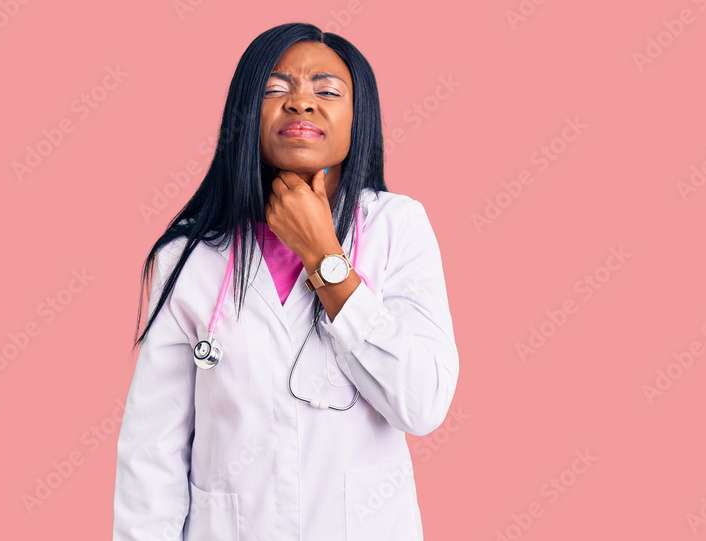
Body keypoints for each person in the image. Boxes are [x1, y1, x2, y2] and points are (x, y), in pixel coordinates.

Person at [112, 22, 459, 541]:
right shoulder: (189, 255)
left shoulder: (397, 227)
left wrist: (324, 257)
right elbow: (152, 453)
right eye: (276, 90)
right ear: (245, 115)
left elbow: (423, 401)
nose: (301, 103)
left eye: (327, 91)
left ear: (357, 117)